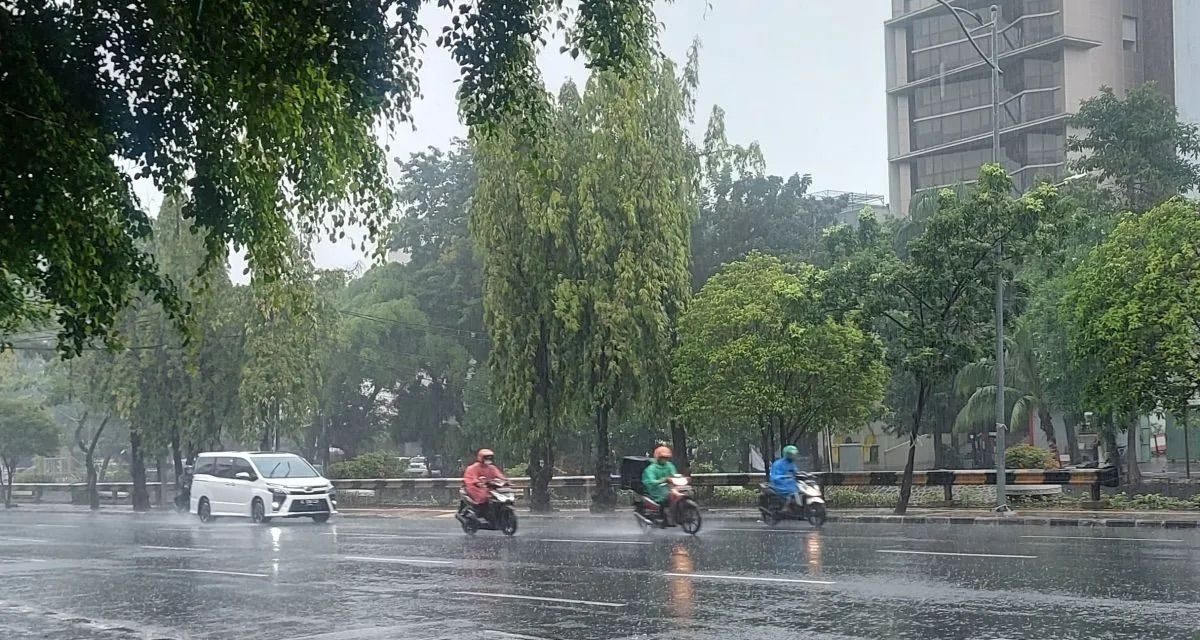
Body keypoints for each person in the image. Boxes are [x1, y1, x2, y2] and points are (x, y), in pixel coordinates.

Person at [462, 449, 506, 517]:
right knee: (483, 496)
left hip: (488, 487)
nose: (488, 459)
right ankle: (481, 513)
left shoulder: (492, 467)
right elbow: (473, 478)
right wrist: (478, 483)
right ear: (481, 458)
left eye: (490, 458)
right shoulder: (474, 467)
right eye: (486, 458)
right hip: (475, 487)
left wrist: (506, 481)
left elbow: (499, 475)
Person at [641, 446, 678, 523]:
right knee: (664, 498)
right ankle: (663, 516)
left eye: (666, 458)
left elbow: (674, 475)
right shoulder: (651, 469)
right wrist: (662, 480)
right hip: (656, 490)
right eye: (663, 457)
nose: (665, 459)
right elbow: (650, 481)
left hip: (669, 488)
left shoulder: (670, 465)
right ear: (658, 458)